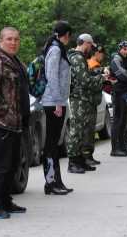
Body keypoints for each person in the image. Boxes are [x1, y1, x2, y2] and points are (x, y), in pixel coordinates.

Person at [0, 27, 30, 217]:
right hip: (0, 122)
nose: (13, 42)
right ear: (0, 40)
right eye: (9, 39)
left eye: (16, 39)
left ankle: (5, 201)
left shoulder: (15, 61)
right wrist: (5, 113)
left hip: (15, 123)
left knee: (12, 164)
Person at [67, 34, 108, 173]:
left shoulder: (80, 58)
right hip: (79, 98)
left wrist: (100, 70)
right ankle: (73, 161)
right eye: (90, 45)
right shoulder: (77, 58)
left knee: (83, 129)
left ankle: (80, 160)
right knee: (77, 129)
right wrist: (101, 78)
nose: (91, 48)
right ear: (85, 43)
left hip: (83, 98)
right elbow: (85, 80)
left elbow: (87, 72)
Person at [41, 21, 73, 193]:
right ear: (67, 34)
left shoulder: (58, 47)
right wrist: (58, 102)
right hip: (53, 102)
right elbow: (51, 76)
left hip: (57, 101)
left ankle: (57, 181)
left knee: (55, 143)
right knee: (51, 142)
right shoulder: (55, 49)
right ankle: (50, 182)